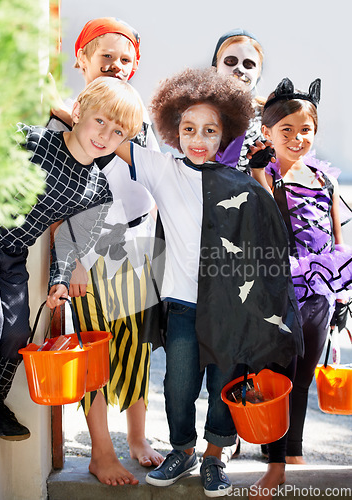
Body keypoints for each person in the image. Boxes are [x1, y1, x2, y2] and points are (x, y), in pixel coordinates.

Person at [112, 67, 303, 498]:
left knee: (222, 387)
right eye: (188, 128)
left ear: (225, 135)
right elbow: (114, 135)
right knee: (178, 385)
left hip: (229, 311)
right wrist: (78, 103)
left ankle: (215, 456)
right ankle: (183, 450)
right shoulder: (162, 171)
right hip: (182, 305)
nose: (198, 138)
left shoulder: (240, 183)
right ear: (173, 130)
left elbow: (267, 244)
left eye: (210, 130)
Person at [0, 76, 144, 455]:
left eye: (118, 131)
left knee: (18, 332)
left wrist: (59, 278)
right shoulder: (33, 141)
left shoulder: (96, 189)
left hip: (14, 253)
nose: (105, 135)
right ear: (79, 110)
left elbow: (71, 238)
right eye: (100, 120)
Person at [48, 17, 163, 486]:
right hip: (91, 253)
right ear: (81, 61)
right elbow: (56, 197)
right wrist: (71, 260)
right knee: (97, 351)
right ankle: (100, 450)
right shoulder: (69, 118)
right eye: (105, 57)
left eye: (125, 59)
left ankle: (137, 437)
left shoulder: (138, 118)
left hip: (138, 246)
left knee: (137, 348)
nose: (116, 66)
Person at [249, 77, 352, 493]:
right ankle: (274, 464)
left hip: (320, 295)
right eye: (285, 130)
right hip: (279, 290)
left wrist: (342, 297)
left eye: (304, 130)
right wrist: (258, 174)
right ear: (267, 134)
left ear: (315, 133)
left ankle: (292, 446)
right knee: (277, 376)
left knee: (304, 375)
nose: (296, 138)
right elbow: (263, 224)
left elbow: (336, 236)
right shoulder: (266, 176)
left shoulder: (324, 180)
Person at [212, 28, 265, 173]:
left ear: (258, 73)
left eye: (248, 65)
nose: (239, 69)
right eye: (230, 61)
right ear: (216, 66)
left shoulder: (270, 115)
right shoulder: (200, 110)